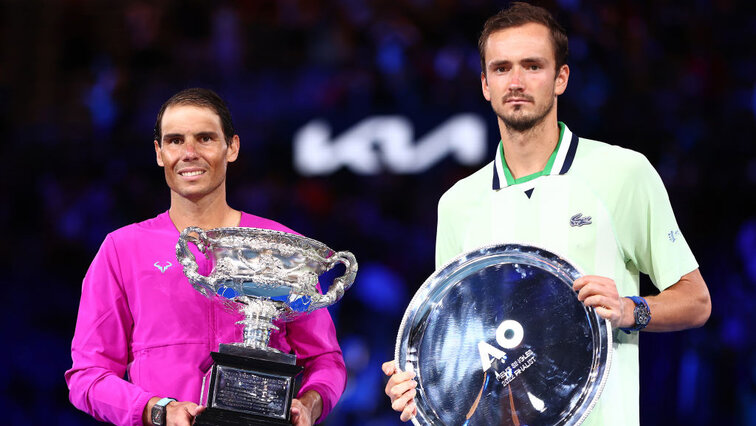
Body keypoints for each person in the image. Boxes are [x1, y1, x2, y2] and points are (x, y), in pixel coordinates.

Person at [382, 3, 711, 425]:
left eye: (532, 66)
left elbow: (697, 301)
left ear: (561, 78)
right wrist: (422, 385)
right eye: (501, 69)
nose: (516, 82)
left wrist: (630, 311)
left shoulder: (623, 173)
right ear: (485, 84)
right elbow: (466, 347)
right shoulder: (458, 204)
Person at [65, 88, 346, 426]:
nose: (189, 153)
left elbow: (325, 360)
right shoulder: (122, 249)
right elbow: (89, 376)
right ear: (158, 153)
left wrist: (310, 404)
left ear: (233, 147)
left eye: (205, 138)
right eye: (174, 141)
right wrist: (157, 410)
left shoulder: (283, 247)